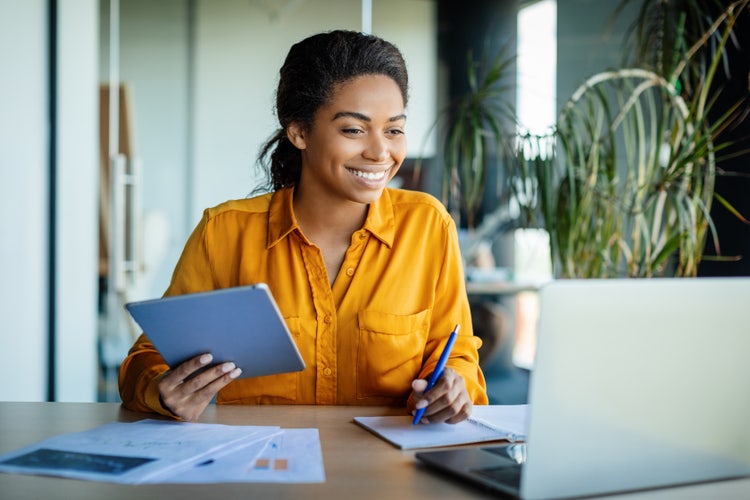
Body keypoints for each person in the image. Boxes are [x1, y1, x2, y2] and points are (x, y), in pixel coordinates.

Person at [119, 29, 488, 422]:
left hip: (390, 469)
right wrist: (161, 390)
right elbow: (147, 359)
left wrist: (454, 385)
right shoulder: (224, 232)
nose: (381, 151)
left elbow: (458, 351)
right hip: (261, 471)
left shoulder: (427, 227)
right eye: (354, 129)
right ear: (299, 132)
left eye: (394, 129)